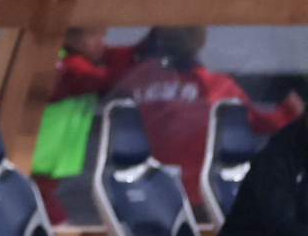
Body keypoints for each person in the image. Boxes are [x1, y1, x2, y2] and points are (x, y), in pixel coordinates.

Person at [113, 26, 303, 211]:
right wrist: (290, 110)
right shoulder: (216, 86)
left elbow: (111, 108)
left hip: (142, 197)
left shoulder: (136, 80)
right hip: (201, 197)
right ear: (201, 42)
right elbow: (256, 122)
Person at [31, 27, 137, 225]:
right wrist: (143, 69)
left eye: (102, 35)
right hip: (33, 161)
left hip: (44, 167)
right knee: (52, 221)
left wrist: (147, 48)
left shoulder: (80, 59)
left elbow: (120, 57)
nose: (101, 42)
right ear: (69, 36)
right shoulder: (63, 65)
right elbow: (99, 78)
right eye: (92, 33)